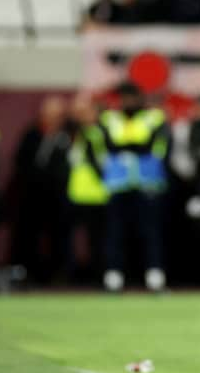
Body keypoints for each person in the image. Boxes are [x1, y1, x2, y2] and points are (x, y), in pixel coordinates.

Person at [99, 82, 169, 291]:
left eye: (132, 97)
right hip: (118, 184)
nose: (128, 102)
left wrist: (127, 148)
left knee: (150, 231)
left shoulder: (153, 118)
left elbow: (153, 146)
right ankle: (114, 275)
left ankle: (154, 275)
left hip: (147, 183)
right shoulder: (109, 119)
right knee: (115, 232)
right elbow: (109, 145)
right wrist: (134, 147)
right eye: (125, 98)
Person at [10, 96, 70, 284]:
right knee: (27, 235)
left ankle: (56, 275)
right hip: (31, 194)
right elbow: (21, 160)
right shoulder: (32, 134)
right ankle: (24, 272)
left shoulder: (67, 135)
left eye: (57, 113)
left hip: (57, 195)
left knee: (57, 237)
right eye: (49, 112)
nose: (53, 116)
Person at [64, 94, 109, 283]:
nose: (81, 116)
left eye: (86, 112)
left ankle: (97, 274)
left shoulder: (95, 133)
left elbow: (100, 161)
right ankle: (75, 272)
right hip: (78, 193)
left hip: (95, 194)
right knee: (75, 237)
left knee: (96, 238)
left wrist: (102, 178)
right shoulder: (80, 133)